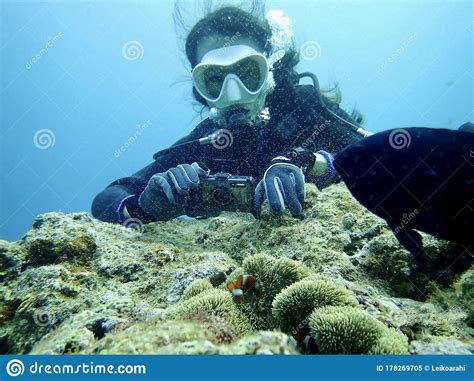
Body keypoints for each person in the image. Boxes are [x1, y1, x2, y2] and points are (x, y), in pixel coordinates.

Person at [92, 4, 369, 224]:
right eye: (215, 79)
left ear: (269, 68)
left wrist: (309, 163)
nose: (233, 93)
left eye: (248, 72)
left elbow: (373, 158)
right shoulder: (207, 139)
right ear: (200, 87)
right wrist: (141, 209)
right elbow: (109, 196)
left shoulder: (304, 106)